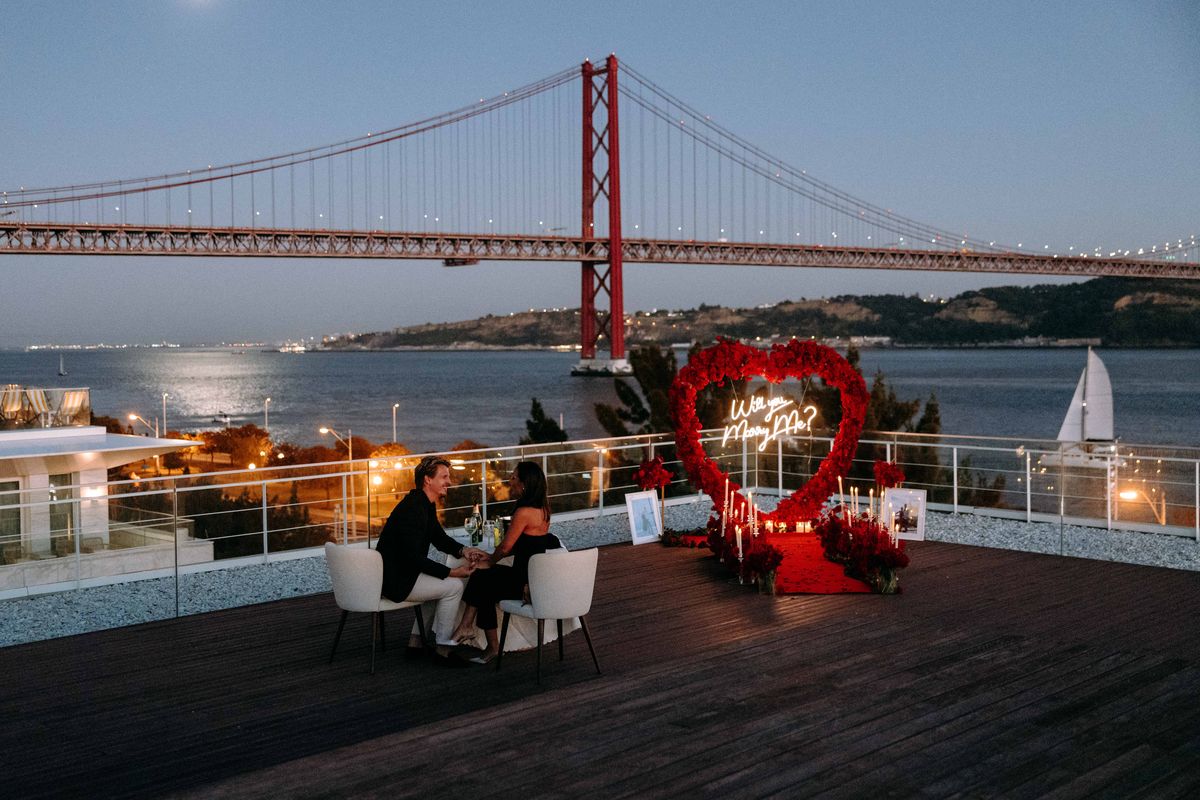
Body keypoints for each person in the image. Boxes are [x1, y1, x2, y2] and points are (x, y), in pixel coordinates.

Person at [375, 455, 487, 668]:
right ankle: (443, 651)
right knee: (452, 586)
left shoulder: (422, 503)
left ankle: (415, 642)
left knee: (441, 583)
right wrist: (451, 572)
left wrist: (464, 550)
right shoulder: (413, 509)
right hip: (396, 581)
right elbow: (413, 558)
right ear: (428, 480)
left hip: (401, 573)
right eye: (444, 477)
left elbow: (438, 537)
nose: (450, 482)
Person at [450, 460, 561, 664]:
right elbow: (524, 545)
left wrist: (490, 561)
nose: (510, 481)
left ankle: (481, 638)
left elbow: (506, 548)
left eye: (514, 477)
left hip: (524, 581)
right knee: (484, 581)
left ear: (524, 483)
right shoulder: (543, 509)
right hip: (532, 576)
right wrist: (488, 557)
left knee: (482, 578)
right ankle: (472, 632)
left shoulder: (524, 512)